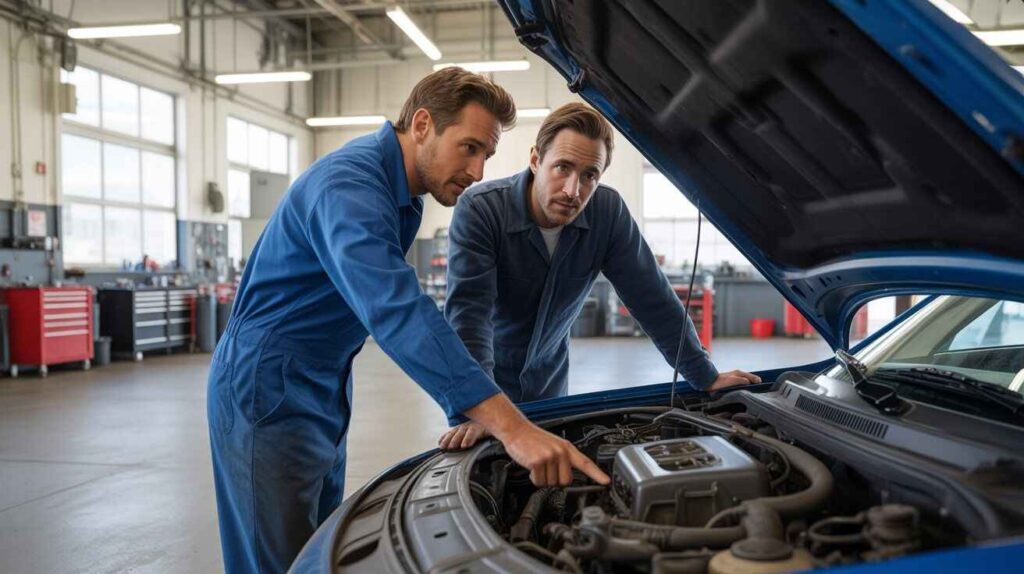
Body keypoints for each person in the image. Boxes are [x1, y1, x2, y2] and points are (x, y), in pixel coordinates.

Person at [206, 70, 608, 574]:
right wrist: (511, 426)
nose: (478, 171)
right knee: (274, 562)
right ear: (422, 125)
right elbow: (396, 309)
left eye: (486, 154)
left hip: (321, 386)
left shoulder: (403, 198)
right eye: (469, 148)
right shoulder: (349, 186)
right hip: (266, 385)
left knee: (313, 555)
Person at [439, 103, 761, 450]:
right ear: (535, 160)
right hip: (484, 386)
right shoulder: (482, 210)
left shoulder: (607, 213)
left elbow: (652, 298)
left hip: (549, 388)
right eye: (562, 167)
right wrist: (481, 408)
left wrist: (704, 376)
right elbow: (469, 318)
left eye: (589, 175)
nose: (572, 190)